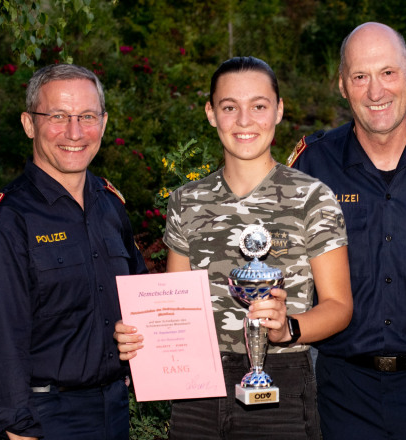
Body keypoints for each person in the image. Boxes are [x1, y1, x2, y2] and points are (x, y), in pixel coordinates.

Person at [115, 56, 352, 439]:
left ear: (278, 111)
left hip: (281, 383)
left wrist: (288, 328)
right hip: (197, 386)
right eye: (229, 107)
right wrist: (142, 336)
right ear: (211, 113)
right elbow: (175, 306)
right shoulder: (186, 201)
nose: (244, 120)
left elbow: (339, 307)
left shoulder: (312, 198)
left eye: (258, 106)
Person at [286, 22, 406, 439]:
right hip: (342, 395)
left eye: (388, 73)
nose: (375, 92)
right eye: (360, 76)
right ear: (342, 85)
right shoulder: (311, 167)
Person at [0, 63, 147, 440]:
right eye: (58, 116)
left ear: (104, 122)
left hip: (114, 408)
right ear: (29, 124)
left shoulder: (111, 206)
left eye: (87, 116)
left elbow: (140, 300)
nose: (74, 132)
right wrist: (16, 428)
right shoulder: (6, 219)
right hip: (42, 418)